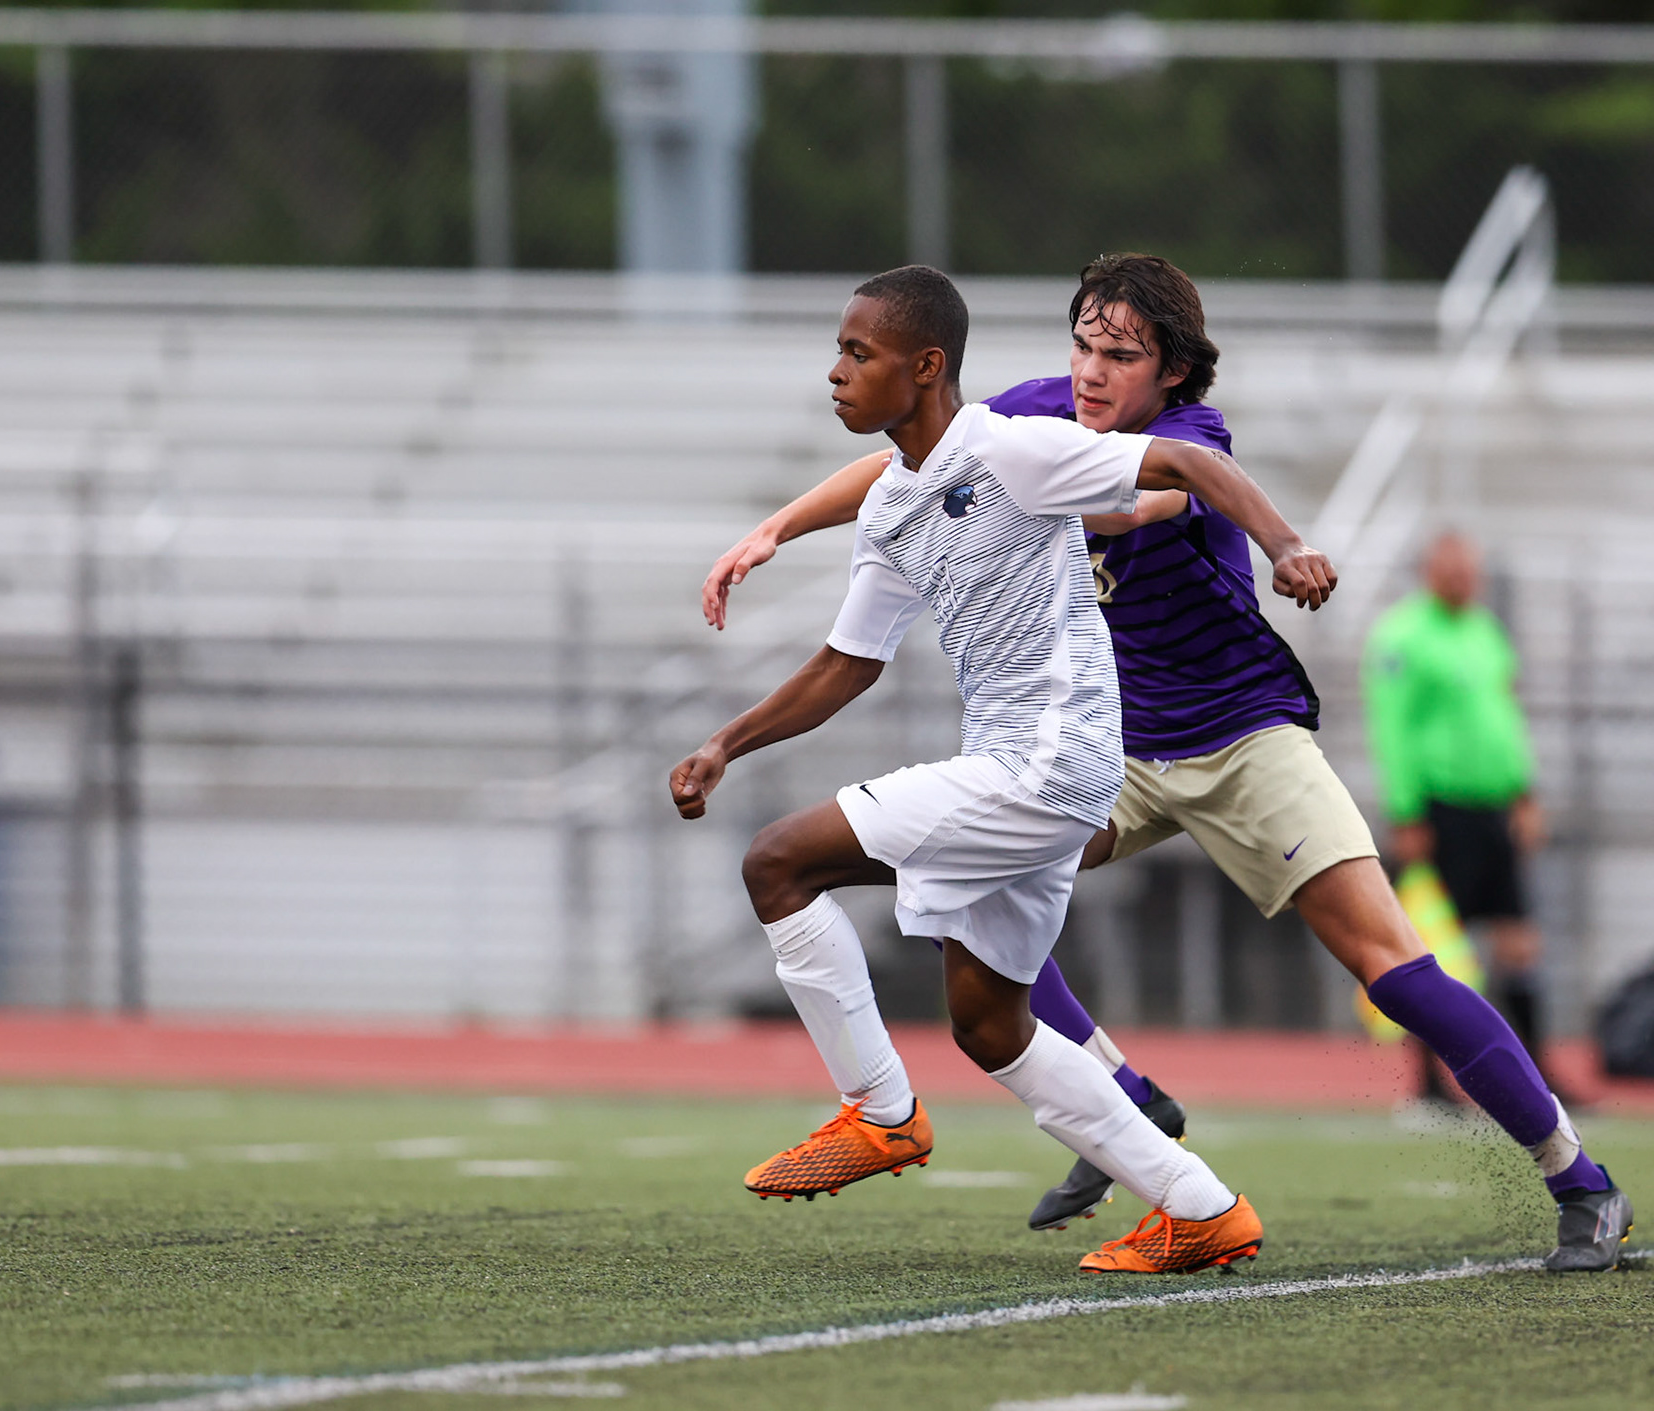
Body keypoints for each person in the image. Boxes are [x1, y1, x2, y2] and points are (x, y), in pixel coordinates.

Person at [702, 254, 1632, 1273]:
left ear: (1175, 373)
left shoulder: (1185, 438)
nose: (1094, 373)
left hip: (1242, 738)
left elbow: (1143, 498)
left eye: (1124, 356)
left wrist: (1270, 540)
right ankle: (1129, 1098)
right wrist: (778, 527)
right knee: (952, 887)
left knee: (1391, 965)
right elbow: (910, 466)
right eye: (1085, 346)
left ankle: (1577, 1177)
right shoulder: (1036, 420)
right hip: (1115, 750)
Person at [670, 264, 1336, 1273]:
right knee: (991, 1025)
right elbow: (846, 665)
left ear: (925, 365)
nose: (837, 374)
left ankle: (880, 1111)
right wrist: (727, 742)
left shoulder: (1014, 451)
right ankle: (1201, 1208)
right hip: (1030, 771)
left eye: (860, 353)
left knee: (777, 862)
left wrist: (1285, 547)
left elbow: (1189, 469)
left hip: (1046, 763)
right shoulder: (896, 504)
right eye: (840, 353)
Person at [1363, 533, 1552, 1078]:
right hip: (1441, 811)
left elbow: (1506, 719)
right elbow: (1391, 728)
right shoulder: (1403, 635)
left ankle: (1539, 1073)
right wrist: (1406, 813)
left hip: (1495, 808)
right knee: (1435, 949)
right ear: (1429, 571)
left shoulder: (1485, 630)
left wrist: (1525, 793)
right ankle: (1429, 1083)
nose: (1465, 579)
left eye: (1471, 569)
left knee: (1519, 941)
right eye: (1453, 570)